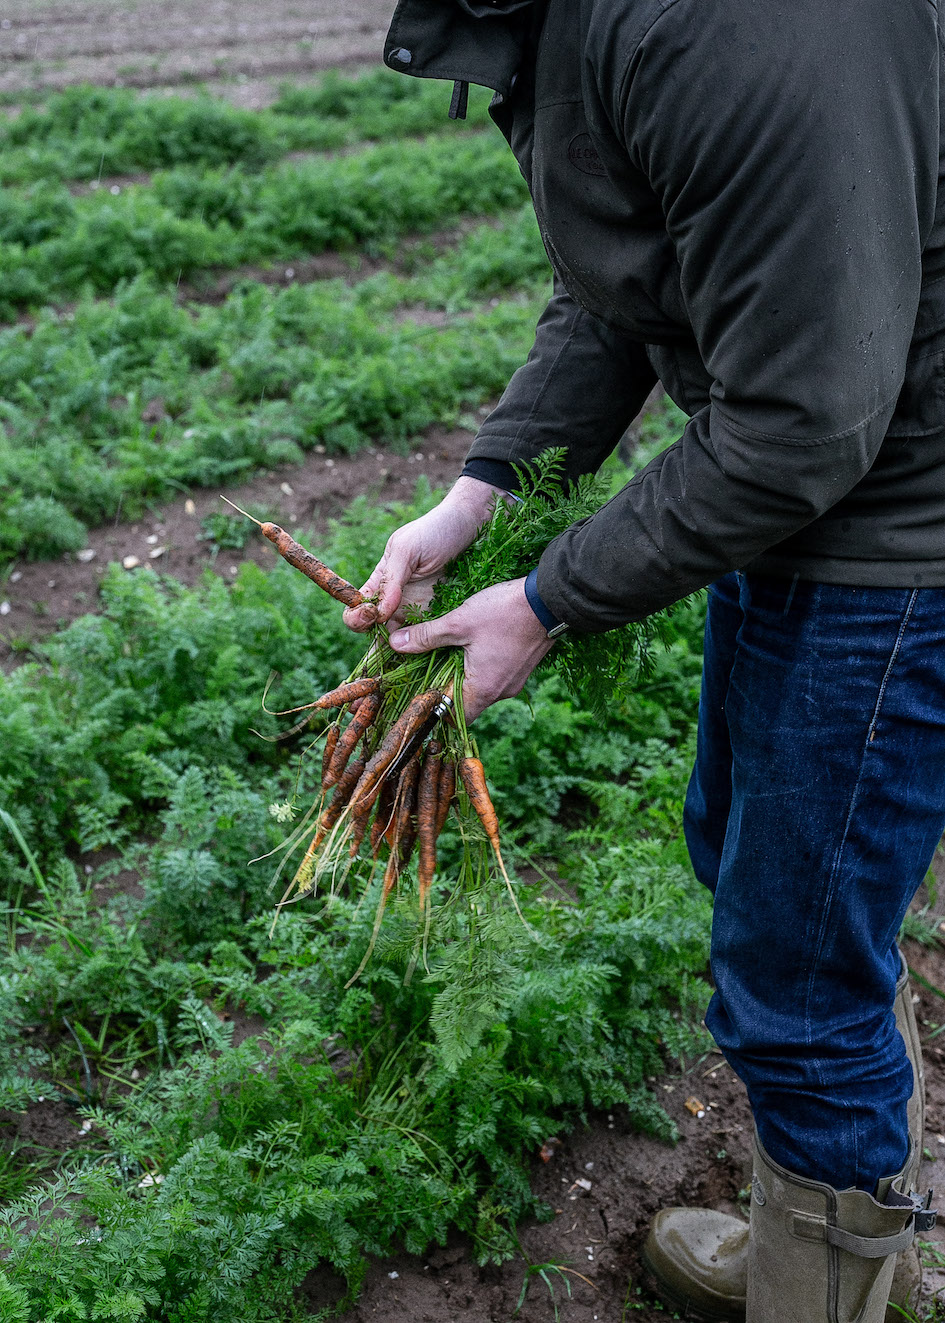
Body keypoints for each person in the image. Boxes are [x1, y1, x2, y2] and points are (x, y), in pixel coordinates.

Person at [343, 0, 944, 1317]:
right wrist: (483, 492)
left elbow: (800, 418)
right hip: (818, 494)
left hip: (901, 525)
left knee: (795, 970)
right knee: (772, 888)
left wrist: (549, 600)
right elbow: (630, 284)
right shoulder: (579, 18)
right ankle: (835, 1237)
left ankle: (822, 1283)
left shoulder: (734, 26)